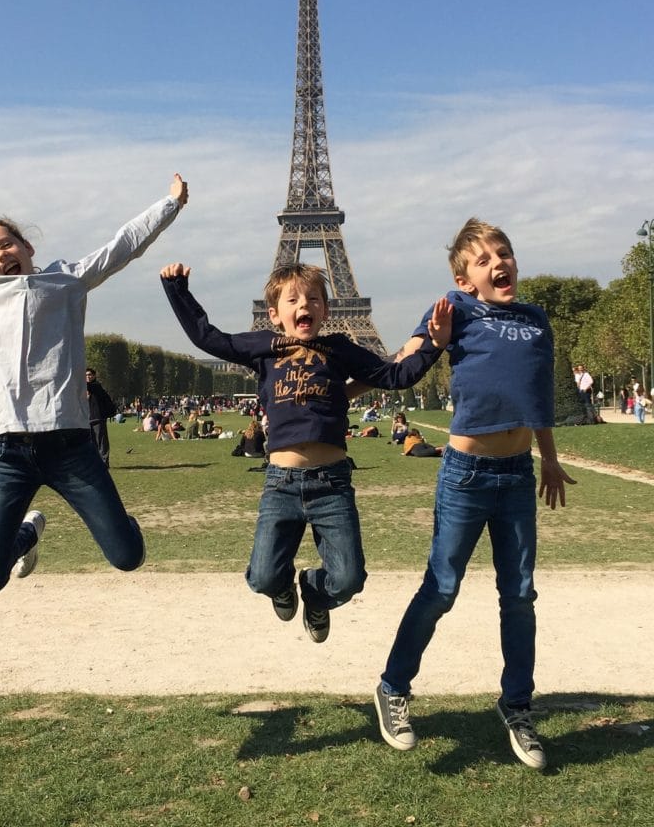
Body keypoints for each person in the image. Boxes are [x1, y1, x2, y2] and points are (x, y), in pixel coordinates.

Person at [0, 165, 188, 596]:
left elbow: (123, 245)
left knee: (128, 556)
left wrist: (170, 203)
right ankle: (28, 535)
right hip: (7, 453)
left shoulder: (67, 280)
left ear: (26, 246)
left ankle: (120, 526)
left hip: (70, 448)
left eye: (4, 244)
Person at [372, 217, 575, 771]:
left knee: (521, 596)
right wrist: (433, 346)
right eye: (483, 261)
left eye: (503, 253)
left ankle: (517, 706)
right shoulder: (454, 309)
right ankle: (393, 686)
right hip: (465, 472)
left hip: (516, 474)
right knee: (441, 588)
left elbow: (538, 395)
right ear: (465, 280)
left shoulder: (535, 320)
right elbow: (403, 361)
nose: (498, 264)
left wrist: (550, 458)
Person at [160, 260, 452, 643]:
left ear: (326, 310)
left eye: (314, 298)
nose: (305, 305)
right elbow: (207, 338)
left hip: (331, 482)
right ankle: (282, 587)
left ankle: (315, 593)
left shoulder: (339, 348)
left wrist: (435, 343)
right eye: (293, 299)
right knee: (262, 577)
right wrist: (177, 290)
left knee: (348, 580)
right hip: (280, 482)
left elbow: (395, 375)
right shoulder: (262, 347)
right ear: (274, 314)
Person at [86, 368, 115, 466]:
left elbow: (88, 386)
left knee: (101, 441)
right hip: (88, 418)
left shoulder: (96, 386)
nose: (88, 377)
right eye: (86, 375)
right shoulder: (85, 389)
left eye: (90, 375)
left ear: (94, 376)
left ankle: (104, 462)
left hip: (98, 418)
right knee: (91, 443)